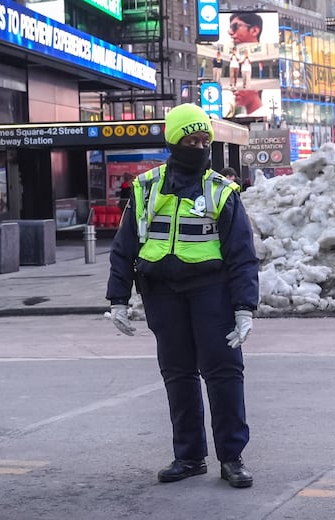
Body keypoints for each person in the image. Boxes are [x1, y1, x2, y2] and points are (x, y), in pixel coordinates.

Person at [106, 104, 259, 488]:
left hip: (212, 292)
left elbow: (241, 254)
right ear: (174, 142)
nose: (199, 146)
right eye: (191, 140)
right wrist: (118, 299)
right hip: (162, 293)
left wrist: (244, 307)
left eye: (204, 140)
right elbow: (125, 246)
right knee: (178, 375)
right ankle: (189, 456)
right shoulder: (145, 187)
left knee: (224, 373)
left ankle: (232, 458)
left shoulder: (221, 191)